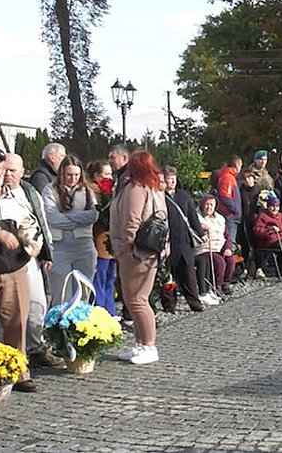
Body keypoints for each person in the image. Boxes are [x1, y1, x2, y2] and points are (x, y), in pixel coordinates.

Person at [0, 145, 43, 391]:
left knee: (16, 323)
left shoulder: (14, 197)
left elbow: (31, 224)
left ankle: (18, 372)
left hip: (14, 269)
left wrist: (32, 241)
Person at [110, 149, 167, 365]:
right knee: (136, 299)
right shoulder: (154, 188)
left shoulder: (135, 188)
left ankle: (149, 345)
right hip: (149, 250)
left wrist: (124, 249)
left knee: (137, 300)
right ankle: (140, 343)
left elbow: (131, 223)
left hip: (137, 252)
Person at [3, 153, 59, 370]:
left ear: (21, 171)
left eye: (13, 171)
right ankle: (5, 355)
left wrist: (47, 253)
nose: (8, 175)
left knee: (37, 305)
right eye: (5, 170)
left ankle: (35, 348)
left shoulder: (29, 192)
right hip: (5, 261)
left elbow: (42, 222)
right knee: (6, 310)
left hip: (31, 258)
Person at [42, 155, 99, 295]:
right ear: (62, 173)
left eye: (76, 175)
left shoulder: (88, 191)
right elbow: (52, 218)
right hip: (59, 248)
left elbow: (94, 215)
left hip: (84, 246)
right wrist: (80, 219)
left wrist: (67, 216)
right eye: (69, 174)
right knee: (61, 295)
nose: (73, 179)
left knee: (84, 293)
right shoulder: (50, 190)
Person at [162, 166, 204, 313]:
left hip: (183, 241)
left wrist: (200, 233)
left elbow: (192, 216)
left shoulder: (183, 196)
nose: (172, 182)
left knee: (188, 274)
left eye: (174, 179)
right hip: (167, 242)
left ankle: (194, 302)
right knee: (168, 275)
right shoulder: (160, 197)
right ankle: (169, 305)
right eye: (169, 179)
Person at [86, 160, 116, 315]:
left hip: (110, 240)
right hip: (99, 239)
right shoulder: (91, 192)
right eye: (107, 174)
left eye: (111, 174)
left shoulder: (108, 193)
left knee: (110, 277)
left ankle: (109, 310)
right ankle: (100, 310)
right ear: (97, 176)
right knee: (101, 277)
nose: (110, 177)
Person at [194, 194, 232, 304]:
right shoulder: (197, 218)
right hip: (205, 248)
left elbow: (227, 236)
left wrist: (228, 248)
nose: (209, 207)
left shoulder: (220, 219)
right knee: (219, 262)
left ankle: (225, 283)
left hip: (219, 246)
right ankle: (216, 286)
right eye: (207, 204)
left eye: (211, 205)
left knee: (230, 260)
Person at [239, 168, 264, 278]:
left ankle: (259, 268)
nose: (248, 180)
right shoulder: (241, 190)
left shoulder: (259, 190)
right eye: (245, 178)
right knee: (245, 245)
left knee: (257, 244)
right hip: (245, 220)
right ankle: (244, 268)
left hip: (256, 219)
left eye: (250, 177)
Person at [215, 155, 242, 248]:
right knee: (230, 246)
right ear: (237, 165)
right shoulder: (228, 178)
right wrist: (235, 210)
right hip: (229, 215)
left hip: (230, 215)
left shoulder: (227, 176)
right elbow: (226, 197)